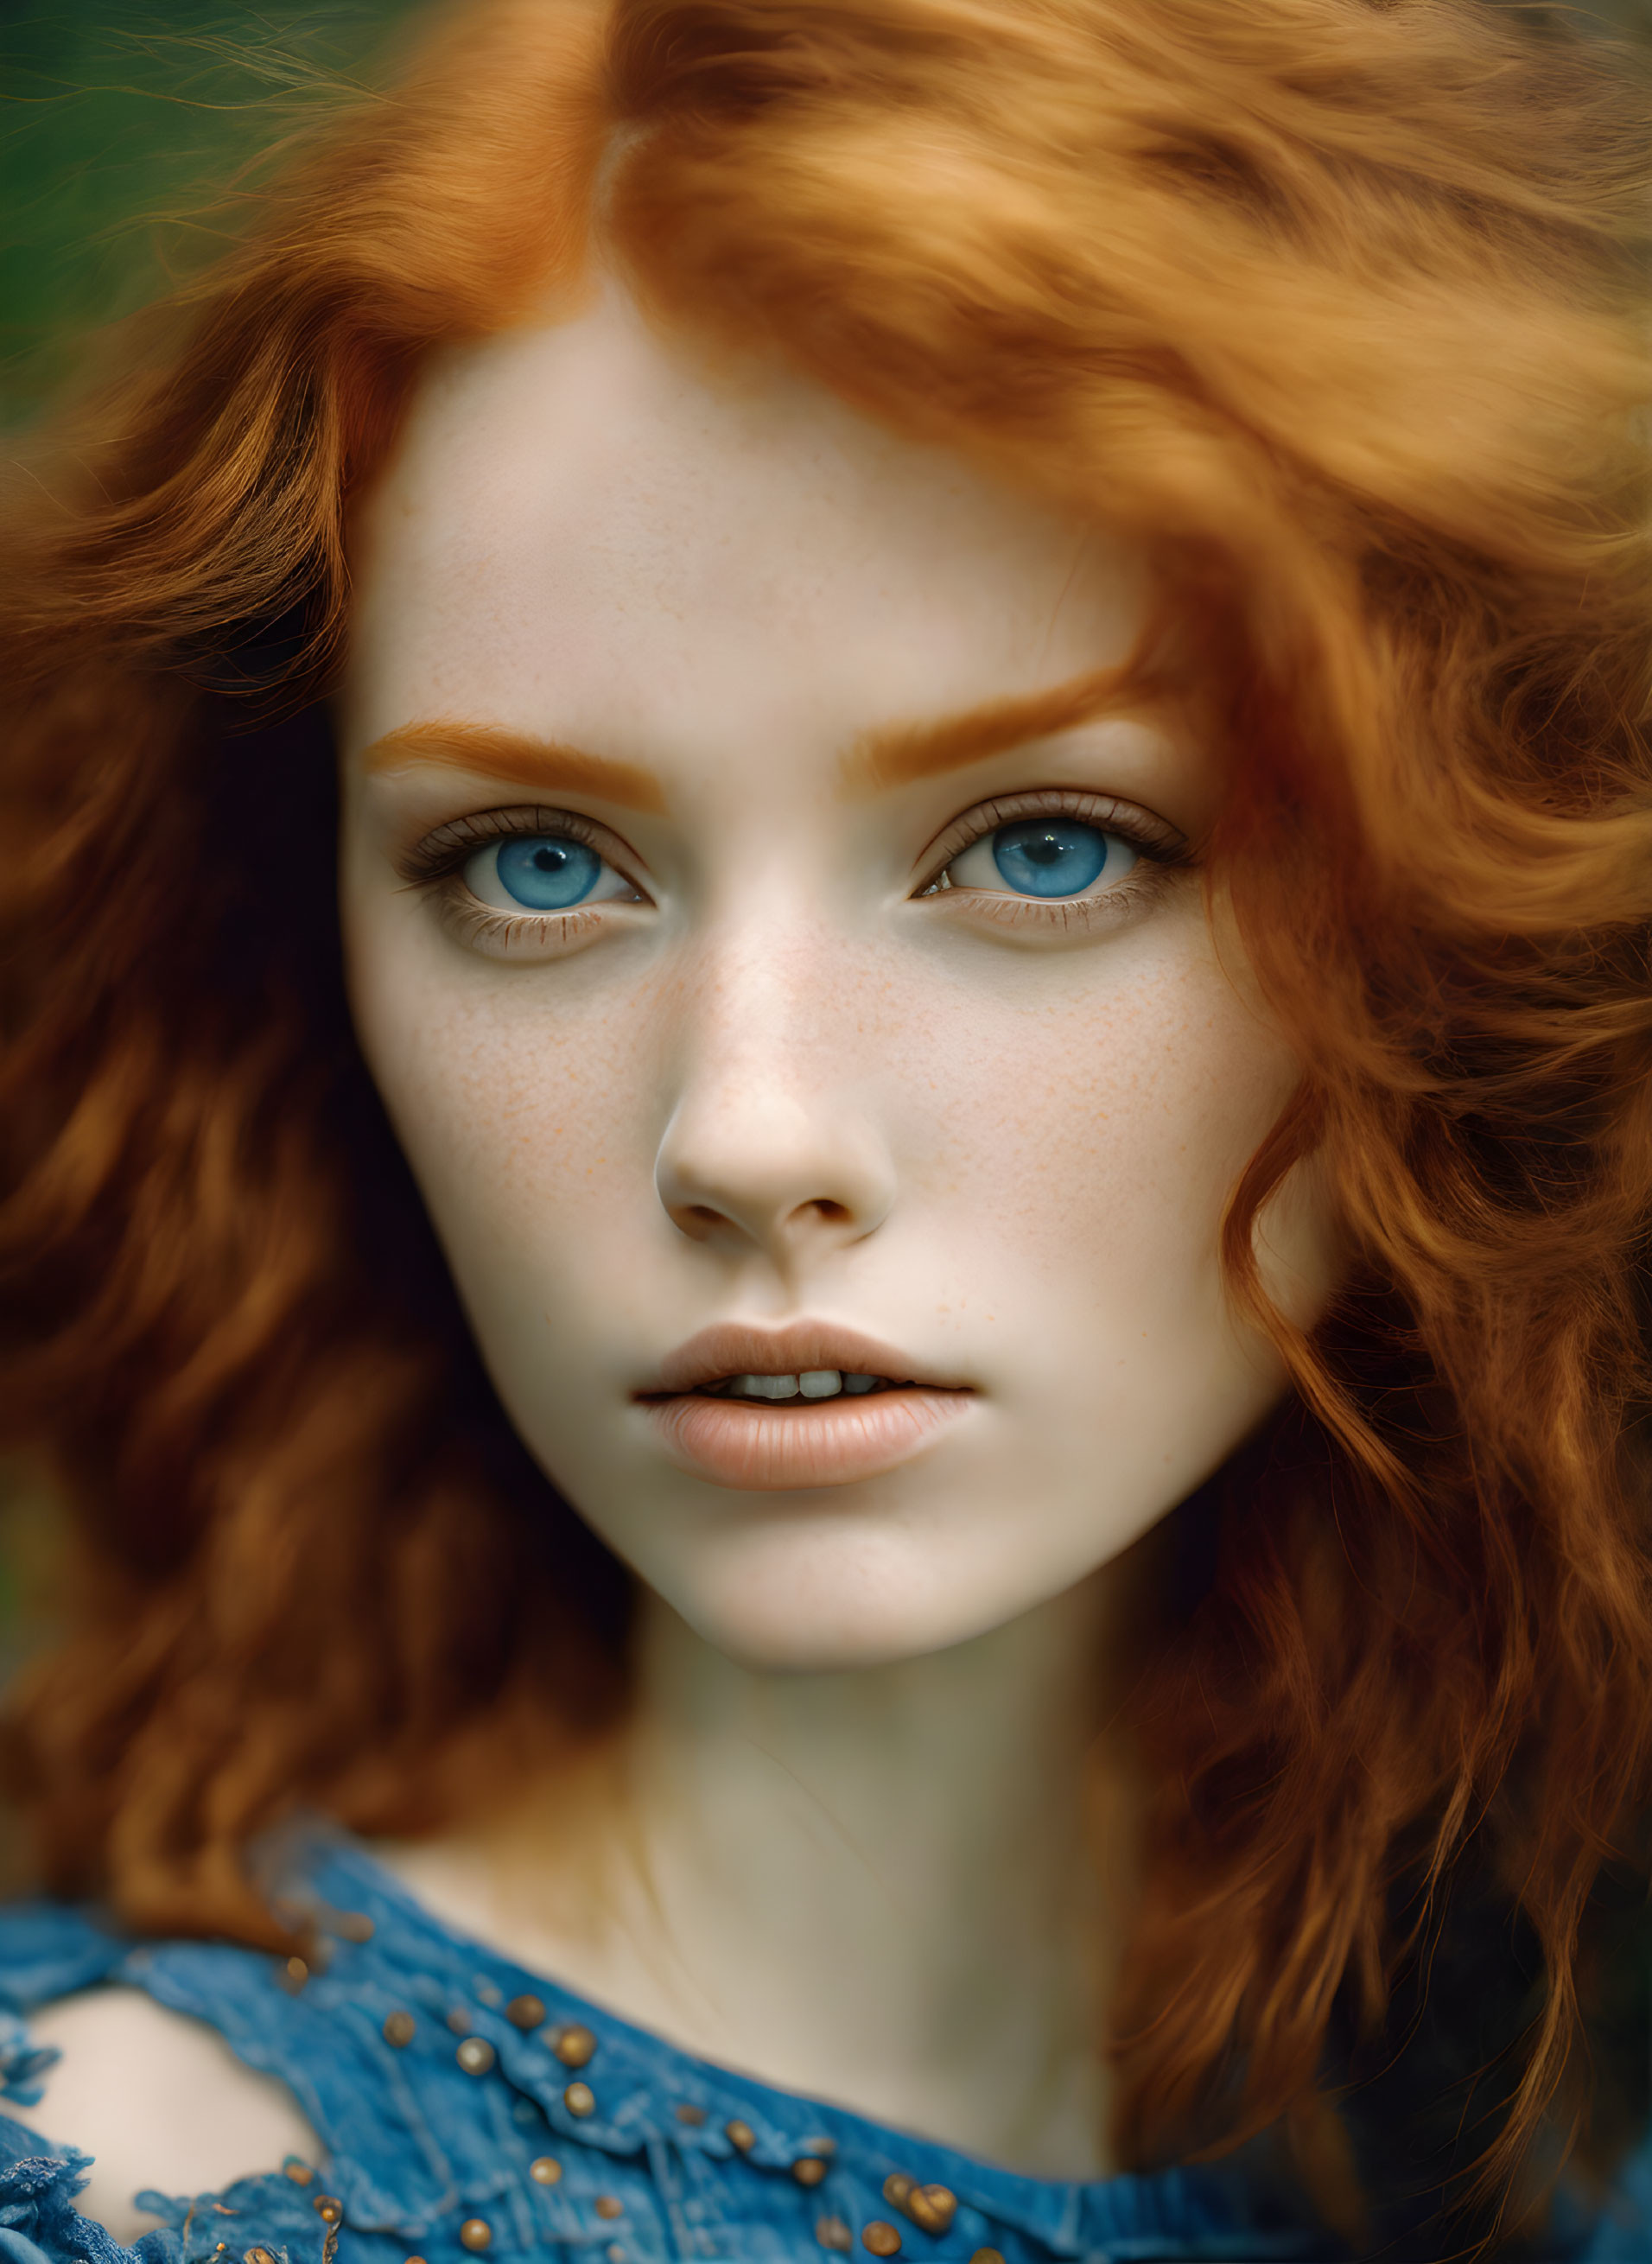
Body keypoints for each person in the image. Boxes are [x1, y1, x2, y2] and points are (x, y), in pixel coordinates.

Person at [1, 0, 1649, 2255]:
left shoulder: (1531, 2128)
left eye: (1047, 846)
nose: (749, 1131)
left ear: (1478, 913)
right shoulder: (135, 2194)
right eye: (537, 864)